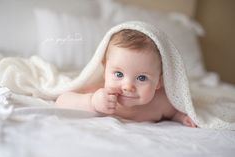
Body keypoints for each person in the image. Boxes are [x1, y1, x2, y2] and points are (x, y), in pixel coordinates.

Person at [56, 29, 197, 127]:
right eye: (119, 74)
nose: (128, 86)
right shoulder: (98, 91)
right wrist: (92, 102)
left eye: (142, 78)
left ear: (158, 82)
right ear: (105, 69)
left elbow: (175, 111)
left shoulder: (161, 102)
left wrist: (182, 117)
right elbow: (62, 100)